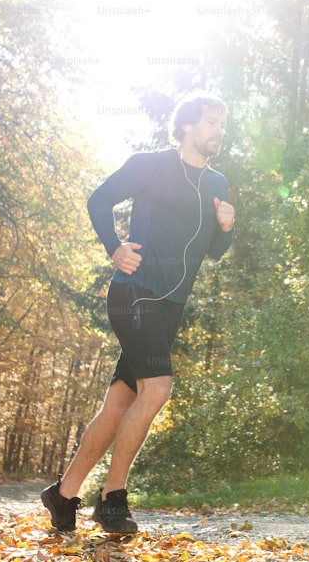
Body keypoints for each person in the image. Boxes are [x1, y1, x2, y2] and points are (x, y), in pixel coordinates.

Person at [41, 92, 234, 533]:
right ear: (186, 125)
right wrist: (114, 248)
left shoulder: (218, 184)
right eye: (210, 122)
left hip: (170, 307)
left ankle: (63, 495)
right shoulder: (150, 164)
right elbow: (98, 200)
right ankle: (113, 498)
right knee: (158, 389)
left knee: (120, 402)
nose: (218, 131)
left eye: (222, 124)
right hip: (133, 294)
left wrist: (226, 228)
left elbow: (216, 252)